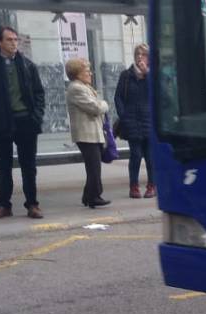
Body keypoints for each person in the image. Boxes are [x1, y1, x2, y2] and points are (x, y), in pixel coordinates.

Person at [0, 25, 45, 219]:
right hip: (1, 123)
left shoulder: (27, 65)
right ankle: (4, 204)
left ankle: (32, 204)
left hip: (26, 121)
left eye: (16, 39)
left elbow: (39, 93)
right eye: (9, 40)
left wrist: (36, 116)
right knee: (4, 166)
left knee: (29, 166)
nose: (14, 43)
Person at [65, 58, 110, 209]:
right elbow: (95, 108)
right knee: (94, 167)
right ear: (77, 74)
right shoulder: (76, 88)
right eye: (86, 71)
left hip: (92, 133)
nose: (90, 73)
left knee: (93, 166)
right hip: (86, 134)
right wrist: (105, 104)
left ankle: (88, 195)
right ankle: (94, 196)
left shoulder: (84, 86)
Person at [115, 43, 154, 199]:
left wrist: (148, 75)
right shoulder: (126, 75)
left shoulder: (152, 75)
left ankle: (152, 185)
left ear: (149, 58)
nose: (140, 57)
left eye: (143, 54)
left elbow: (162, 94)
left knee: (150, 156)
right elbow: (118, 97)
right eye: (137, 54)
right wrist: (123, 115)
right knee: (136, 155)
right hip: (132, 121)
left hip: (149, 121)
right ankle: (134, 186)